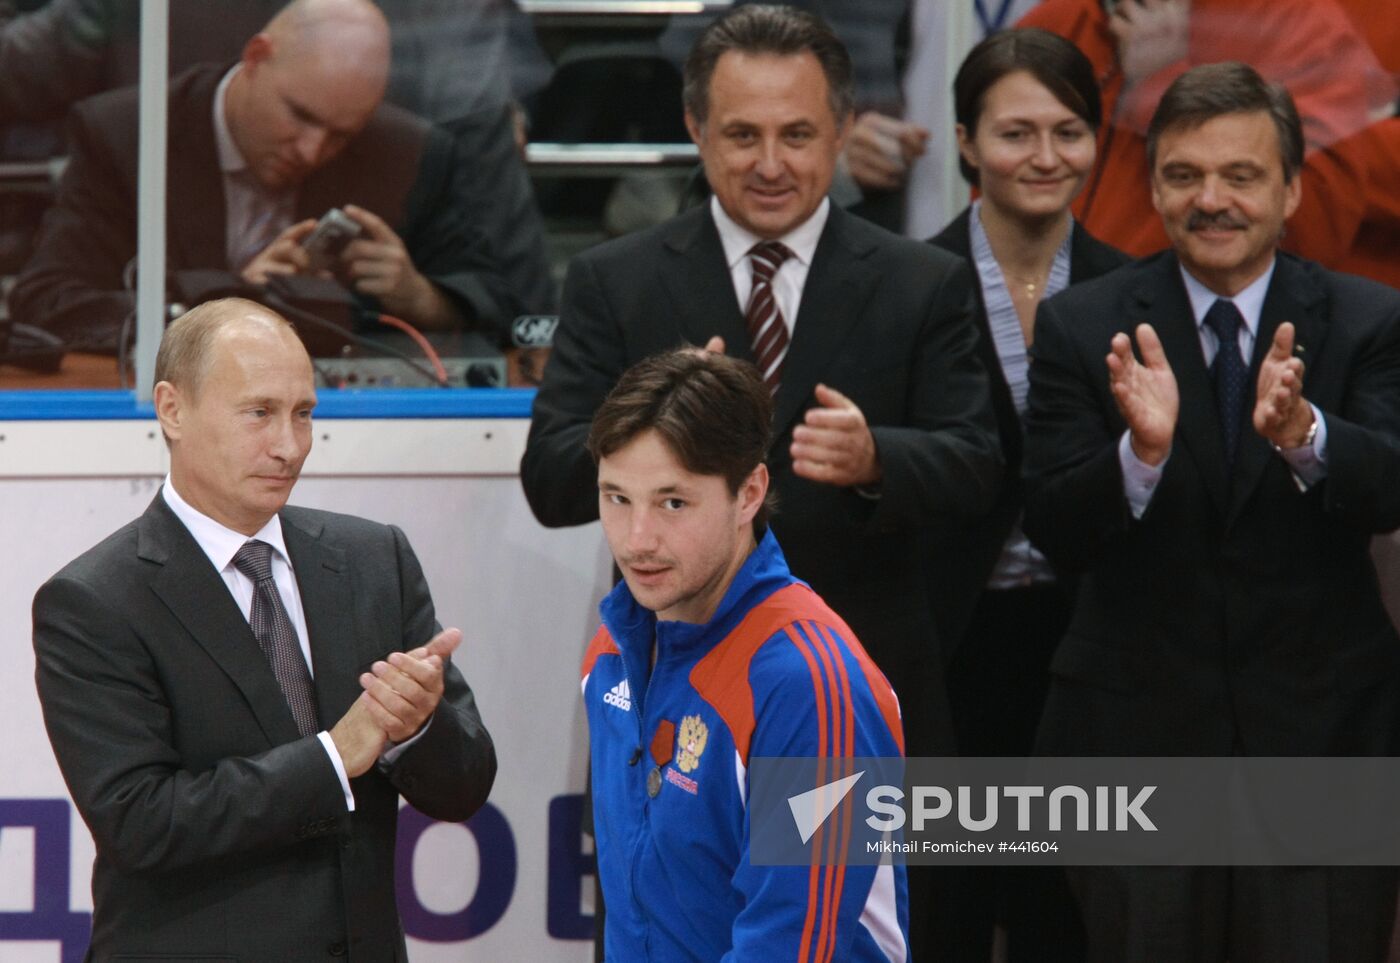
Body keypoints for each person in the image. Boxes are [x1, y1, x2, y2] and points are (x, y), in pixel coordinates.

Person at [522, 7, 1000, 955]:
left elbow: (980, 465)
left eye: (798, 134)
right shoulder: (617, 280)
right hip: (670, 684)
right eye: (742, 134)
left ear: (843, 129)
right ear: (696, 130)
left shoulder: (923, 280)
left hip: (851, 686)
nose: (770, 162)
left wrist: (879, 460)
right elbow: (549, 473)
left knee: (829, 932)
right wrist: (649, 428)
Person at [1022, 62, 1400, 960]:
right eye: (1185, 175)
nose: (1212, 200)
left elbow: (1391, 484)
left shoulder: (1368, 317)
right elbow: (1053, 526)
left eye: (1241, 175)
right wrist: (1138, 456)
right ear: (1153, 187)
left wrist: (1306, 432)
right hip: (1136, 747)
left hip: (1324, 741)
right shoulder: (1086, 324)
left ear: (1293, 187)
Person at [32, 297, 496, 959]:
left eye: (302, 413)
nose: (289, 445)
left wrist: (418, 726)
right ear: (172, 409)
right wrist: (337, 754)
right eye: (259, 413)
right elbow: (142, 822)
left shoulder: (373, 560)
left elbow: (466, 783)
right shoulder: (93, 601)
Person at [581, 347, 908, 961]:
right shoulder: (613, 646)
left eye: (673, 503)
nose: (637, 539)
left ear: (750, 492)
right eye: (617, 497)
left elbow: (792, 944)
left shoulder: (809, 682)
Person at [925, 27, 1128, 962]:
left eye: (1069, 129)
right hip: (948, 652)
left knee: (1069, 918)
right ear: (966, 141)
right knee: (947, 915)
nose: (1045, 156)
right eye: (1015, 133)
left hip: (1095, 649)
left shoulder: (1139, 287)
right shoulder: (905, 283)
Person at [8, 0, 526, 353]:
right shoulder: (126, 135)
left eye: (341, 134)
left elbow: (509, 308)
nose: (312, 150)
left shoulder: (404, 151)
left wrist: (423, 297)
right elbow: (48, 303)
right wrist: (227, 296)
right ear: (255, 58)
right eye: (300, 116)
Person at [1016, 0, 1396, 269]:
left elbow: (1310, 228)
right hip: (1059, 327)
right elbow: (997, 187)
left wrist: (1165, 87)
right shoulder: (1053, 25)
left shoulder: (1298, 23)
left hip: (1222, 334)